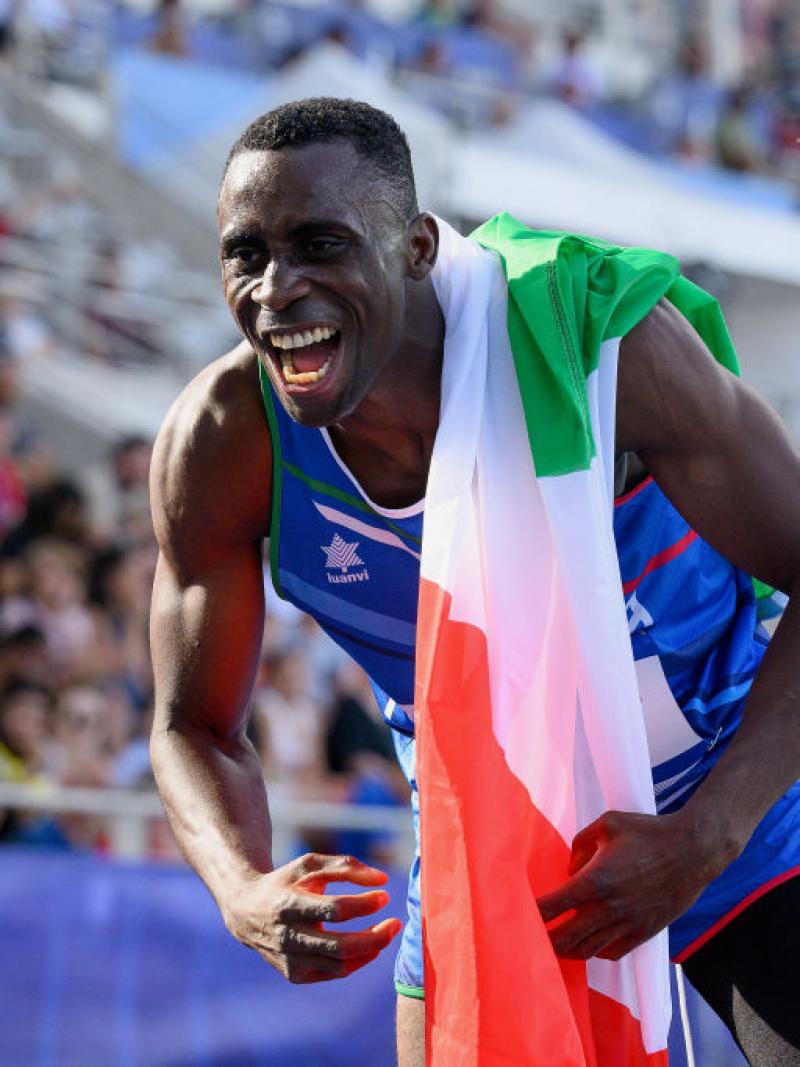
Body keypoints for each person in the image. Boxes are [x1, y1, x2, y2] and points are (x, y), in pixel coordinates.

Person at [149, 98, 800, 1066]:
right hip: (494, 842)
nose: (276, 288)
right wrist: (242, 887)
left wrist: (705, 835)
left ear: (415, 246)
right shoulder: (227, 437)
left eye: (320, 244)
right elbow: (191, 724)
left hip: (740, 810)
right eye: (245, 253)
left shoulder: (595, 348)